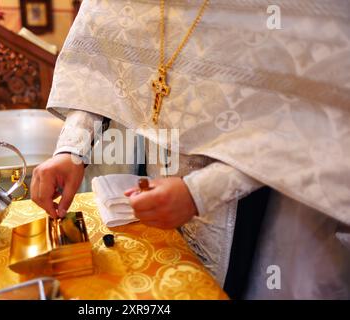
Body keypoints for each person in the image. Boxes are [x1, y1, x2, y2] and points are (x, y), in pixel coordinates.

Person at [31, 0, 350, 299]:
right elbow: (103, 51)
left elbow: (313, 111)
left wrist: (201, 191)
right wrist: (72, 148)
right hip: (154, 168)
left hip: (261, 196)